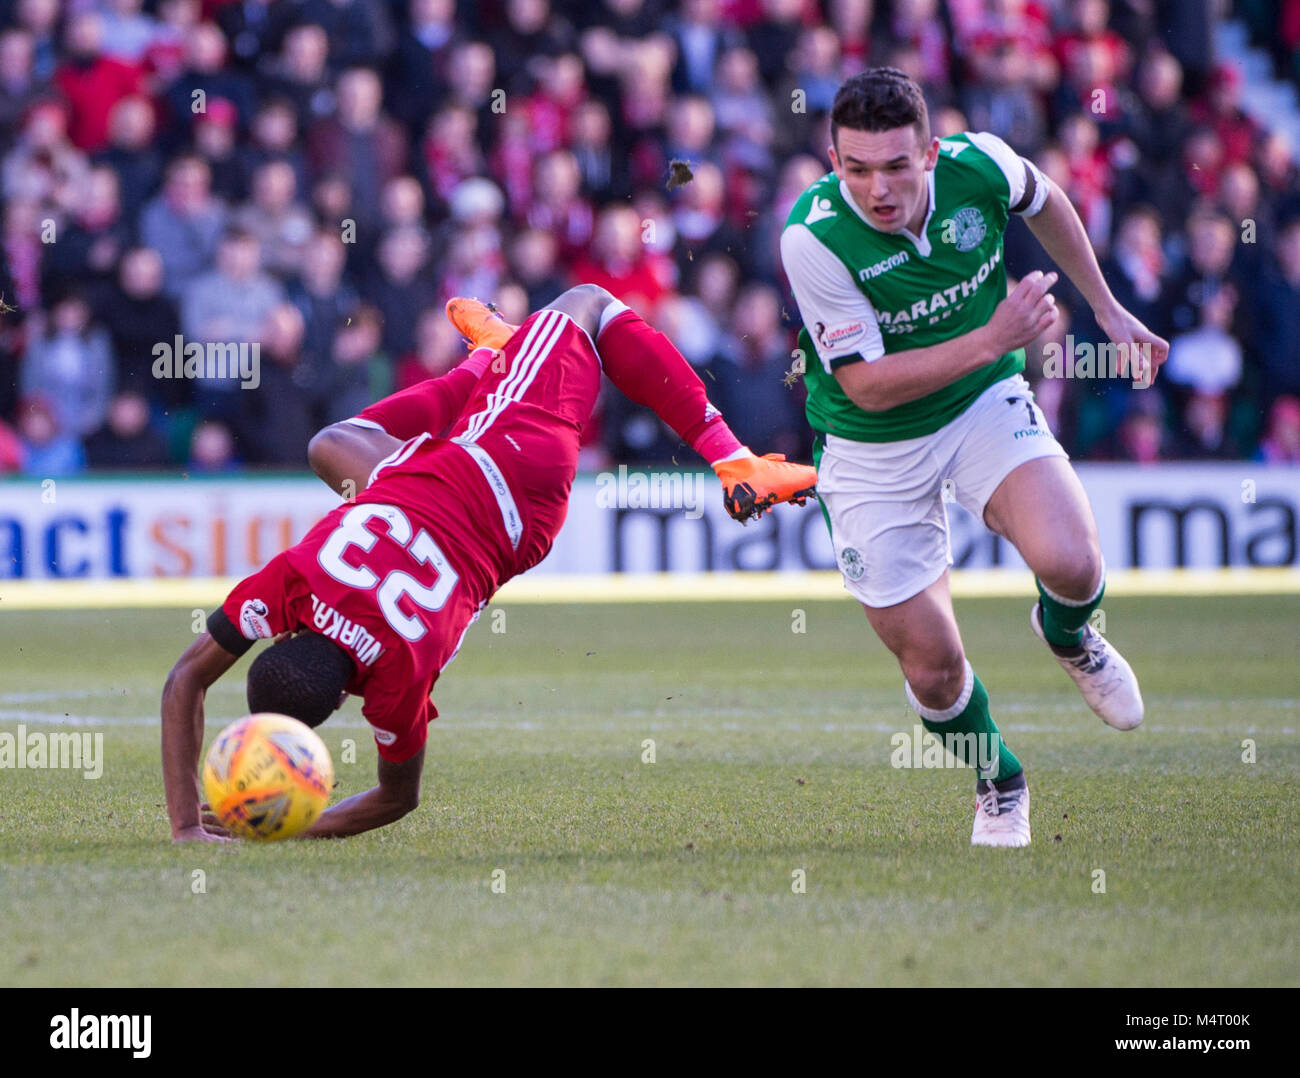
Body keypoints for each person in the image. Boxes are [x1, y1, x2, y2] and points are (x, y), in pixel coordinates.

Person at [161, 286, 817, 841]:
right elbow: (185, 681)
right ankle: (735, 460)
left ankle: (489, 366)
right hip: (495, 455)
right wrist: (183, 821)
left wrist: (292, 825)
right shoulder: (293, 581)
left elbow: (396, 799)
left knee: (333, 445)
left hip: (517, 532)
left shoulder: (396, 683)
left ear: (339, 700)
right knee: (585, 303)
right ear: (286, 631)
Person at [780, 69, 1170, 848]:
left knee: (1072, 561)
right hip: (868, 449)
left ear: (929, 152)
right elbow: (869, 388)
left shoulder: (979, 164)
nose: (878, 190)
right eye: (856, 169)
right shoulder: (811, 236)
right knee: (932, 668)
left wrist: (1106, 307)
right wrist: (997, 335)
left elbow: (1047, 199)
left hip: (980, 403)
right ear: (833, 161)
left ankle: (1069, 635)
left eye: (895, 166)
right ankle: (1000, 782)